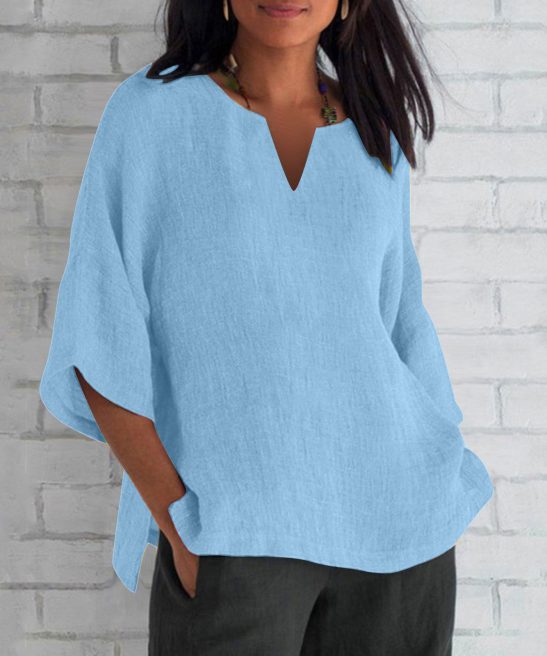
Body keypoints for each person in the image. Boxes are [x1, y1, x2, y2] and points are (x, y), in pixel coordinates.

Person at [39, 0, 494, 653]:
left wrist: (439, 465)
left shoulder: (376, 131)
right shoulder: (152, 117)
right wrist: (181, 527)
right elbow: (98, 337)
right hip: (236, 537)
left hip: (399, 529)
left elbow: (399, 322)